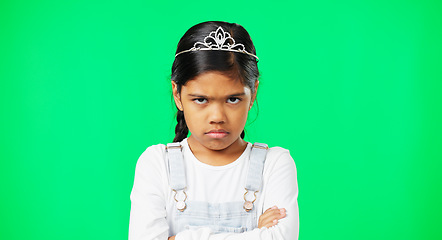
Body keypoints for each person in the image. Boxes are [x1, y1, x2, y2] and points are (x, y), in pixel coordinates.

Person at [129, 21, 299, 240]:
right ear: (177, 94)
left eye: (233, 99)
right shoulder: (156, 164)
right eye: (200, 99)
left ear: (253, 92)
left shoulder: (275, 164)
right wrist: (256, 233)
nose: (217, 117)